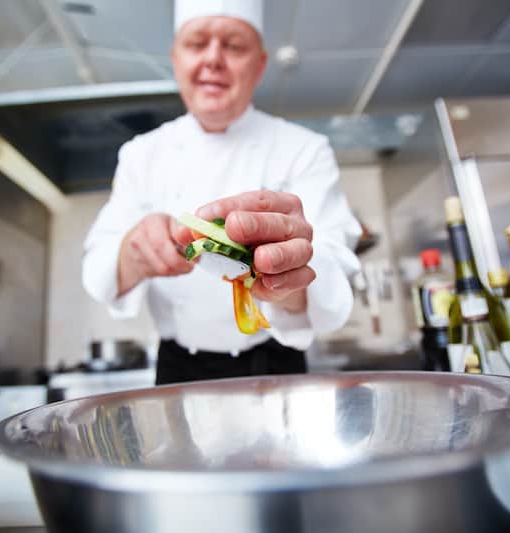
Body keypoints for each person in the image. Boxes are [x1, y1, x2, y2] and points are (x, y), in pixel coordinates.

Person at [82, 0, 361, 385]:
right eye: (197, 43)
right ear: (175, 57)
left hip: (275, 365)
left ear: (260, 64)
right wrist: (135, 252)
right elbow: (98, 266)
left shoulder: (304, 149)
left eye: (233, 45)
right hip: (178, 369)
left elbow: (334, 268)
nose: (213, 59)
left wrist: (288, 274)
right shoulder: (140, 155)